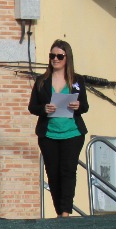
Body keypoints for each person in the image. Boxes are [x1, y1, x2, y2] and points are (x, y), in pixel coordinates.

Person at [28, 39, 89, 217]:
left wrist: (78, 106)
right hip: (49, 134)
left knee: (68, 171)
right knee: (53, 173)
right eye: (52, 55)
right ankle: (58, 211)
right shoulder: (41, 81)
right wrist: (44, 109)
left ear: (67, 58)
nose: (55, 59)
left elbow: (85, 106)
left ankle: (65, 212)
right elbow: (32, 107)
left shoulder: (77, 80)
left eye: (59, 56)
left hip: (72, 133)